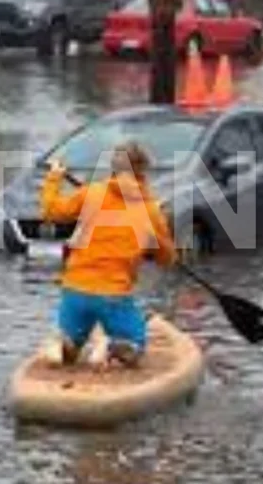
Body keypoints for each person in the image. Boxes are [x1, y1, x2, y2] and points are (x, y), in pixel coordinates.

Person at [40, 141, 177, 368]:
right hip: (113, 294)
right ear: (143, 172)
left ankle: (64, 343)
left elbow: (51, 210)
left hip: (74, 289)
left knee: (72, 341)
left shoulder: (92, 192)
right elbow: (167, 259)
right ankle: (116, 345)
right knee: (136, 343)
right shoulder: (150, 209)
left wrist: (54, 177)